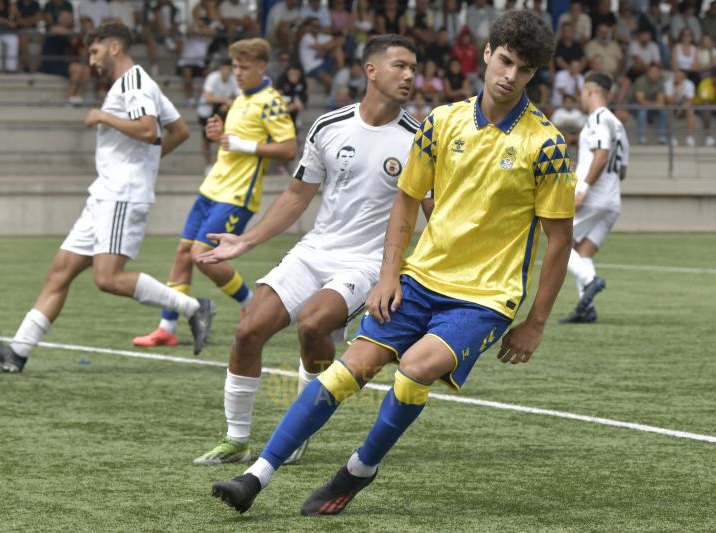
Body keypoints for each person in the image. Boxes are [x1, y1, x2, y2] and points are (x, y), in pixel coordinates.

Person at [211, 10, 575, 516]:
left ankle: (358, 470)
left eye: (526, 69)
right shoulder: (442, 122)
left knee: (414, 369)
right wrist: (388, 276)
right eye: (507, 60)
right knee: (348, 369)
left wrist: (535, 323)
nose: (511, 76)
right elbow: (406, 201)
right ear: (488, 53)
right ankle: (255, 475)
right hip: (419, 279)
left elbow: (560, 240)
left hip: (485, 297)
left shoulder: (548, 145)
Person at [192, 34, 426, 467]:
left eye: (414, 67)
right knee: (248, 331)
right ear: (370, 70)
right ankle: (236, 438)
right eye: (400, 65)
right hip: (315, 250)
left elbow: (435, 211)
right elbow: (297, 196)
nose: (410, 75)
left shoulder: (419, 138)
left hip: (367, 262)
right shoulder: (328, 126)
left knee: (313, 326)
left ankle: (296, 432)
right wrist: (246, 241)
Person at [0, 21, 212, 373]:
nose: (92, 59)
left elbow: (148, 130)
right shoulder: (141, 81)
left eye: (95, 51)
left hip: (121, 194)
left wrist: (104, 116)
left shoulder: (133, 82)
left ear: (114, 47)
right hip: (106, 193)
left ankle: (194, 308)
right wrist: (147, 163)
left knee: (108, 278)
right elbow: (180, 130)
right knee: (59, 273)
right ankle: (16, 354)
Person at [131, 37, 297, 348]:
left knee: (200, 255)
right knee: (183, 253)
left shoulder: (270, 100)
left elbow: (289, 148)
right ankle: (167, 327)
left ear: (262, 67)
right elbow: (236, 142)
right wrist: (221, 136)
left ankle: (250, 303)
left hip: (237, 196)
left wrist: (241, 144)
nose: (237, 72)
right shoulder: (240, 98)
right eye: (234, 66)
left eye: (244, 67)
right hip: (212, 188)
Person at [560, 72, 628, 324]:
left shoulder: (598, 118)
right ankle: (585, 309)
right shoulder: (618, 125)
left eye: (581, 92)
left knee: (560, 244)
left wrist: (584, 186)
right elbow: (622, 170)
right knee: (582, 252)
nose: (580, 97)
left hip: (592, 196)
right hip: (612, 201)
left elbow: (601, 154)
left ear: (589, 91)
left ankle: (590, 282)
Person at [196, 58, 240, 170]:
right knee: (206, 138)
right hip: (206, 111)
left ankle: (221, 164)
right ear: (221, 68)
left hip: (221, 111)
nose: (228, 71)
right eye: (226, 69)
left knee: (224, 136)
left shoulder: (233, 79)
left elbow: (239, 96)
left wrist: (228, 104)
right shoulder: (212, 78)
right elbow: (208, 97)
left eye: (230, 69)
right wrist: (226, 101)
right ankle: (208, 165)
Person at [632, 62, 668, 145]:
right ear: (647, 72)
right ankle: (642, 137)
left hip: (650, 107)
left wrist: (656, 104)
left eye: (656, 72)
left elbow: (661, 101)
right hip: (634, 106)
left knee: (664, 111)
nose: (654, 74)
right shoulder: (640, 81)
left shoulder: (660, 83)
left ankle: (662, 137)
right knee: (642, 111)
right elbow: (640, 100)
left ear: (659, 73)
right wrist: (655, 104)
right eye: (652, 72)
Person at [665, 68, 696, 147]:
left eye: (680, 76)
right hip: (673, 106)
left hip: (684, 107)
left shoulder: (689, 84)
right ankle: (672, 137)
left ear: (684, 77)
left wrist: (681, 108)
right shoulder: (668, 83)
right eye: (676, 75)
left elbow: (690, 101)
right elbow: (669, 100)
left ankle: (689, 137)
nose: (677, 78)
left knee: (690, 110)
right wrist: (676, 93)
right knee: (669, 108)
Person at [693, 66, 716, 146]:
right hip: (700, 106)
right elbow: (707, 101)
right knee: (708, 108)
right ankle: (707, 134)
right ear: (711, 77)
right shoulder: (705, 83)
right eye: (714, 77)